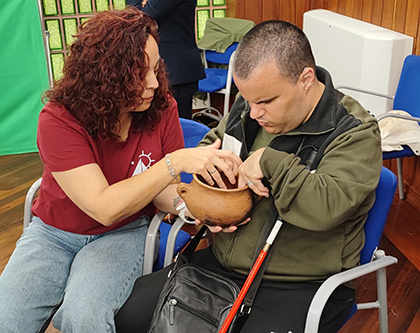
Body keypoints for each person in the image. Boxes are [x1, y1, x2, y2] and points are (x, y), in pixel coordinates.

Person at [115, 19, 383, 333]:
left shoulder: (354, 131)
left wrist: (270, 162)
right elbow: (211, 145)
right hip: (221, 264)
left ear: (306, 79)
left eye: (267, 102)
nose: (254, 112)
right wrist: (209, 183)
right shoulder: (251, 104)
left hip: (297, 282)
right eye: (249, 100)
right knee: (130, 316)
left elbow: (328, 206)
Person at [0, 8, 241, 333]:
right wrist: (175, 163)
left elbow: (162, 192)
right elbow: (103, 207)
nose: (154, 83)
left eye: (156, 68)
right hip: (53, 235)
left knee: (84, 316)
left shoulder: (162, 108)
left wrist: (192, 206)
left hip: (123, 233)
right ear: (103, 75)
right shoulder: (59, 119)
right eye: (139, 74)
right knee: (7, 320)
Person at [127, 0, 206, 119]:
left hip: (176, 71)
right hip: (167, 68)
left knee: (177, 129)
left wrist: (143, 5)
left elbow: (140, 18)